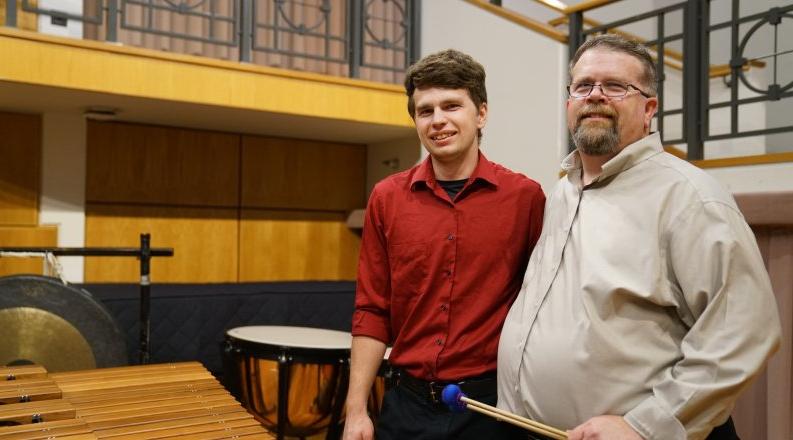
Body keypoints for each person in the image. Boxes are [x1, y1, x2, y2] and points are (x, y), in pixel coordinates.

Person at [497, 34, 781, 440]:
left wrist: (644, 426)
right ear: (569, 102)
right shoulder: (563, 191)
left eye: (615, 86)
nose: (595, 96)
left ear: (649, 108)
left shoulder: (690, 198)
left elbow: (743, 332)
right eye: (583, 85)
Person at [342, 49, 546, 440]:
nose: (438, 120)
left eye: (452, 106)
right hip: (405, 404)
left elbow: (541, 306)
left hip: (489, 408)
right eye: (425, 110)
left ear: (481, 113)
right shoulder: (386, 197)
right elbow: (371, 309)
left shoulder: (526, 198)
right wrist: (356, 410)